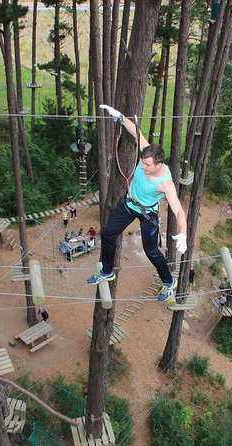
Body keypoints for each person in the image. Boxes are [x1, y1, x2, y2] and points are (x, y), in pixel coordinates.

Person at [87, 105, 188, 302]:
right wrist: (120, 117)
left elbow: (179, 211)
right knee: (108, 233)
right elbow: (137, 132)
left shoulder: (165, 183)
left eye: (147, 165)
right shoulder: (148, 154)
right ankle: (107, 271)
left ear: (159, 165)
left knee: (151, 252)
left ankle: (168, 282)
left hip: (148, 214)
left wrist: (182, 233)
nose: (142, 166)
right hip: (129, 204)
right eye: (143, 162)